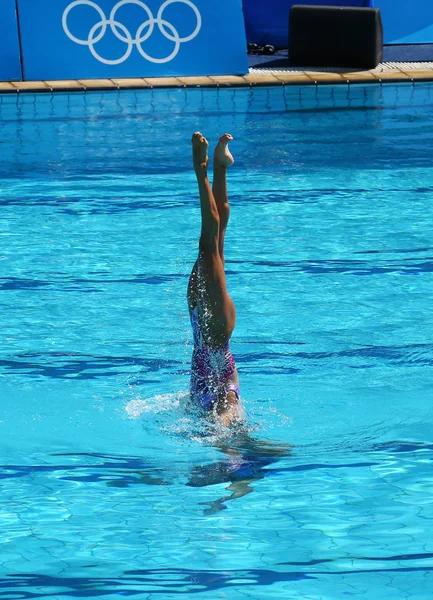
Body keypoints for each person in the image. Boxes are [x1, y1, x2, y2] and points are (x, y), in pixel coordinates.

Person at [187, 132, 242, 427]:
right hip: (217, 327)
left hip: (198, 321)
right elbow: (228, 429)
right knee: (209, 242)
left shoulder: (209, 405)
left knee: (216, 241)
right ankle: (202, 168)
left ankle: (220, 166)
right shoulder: (227, 403)